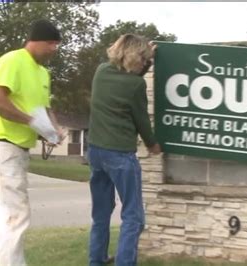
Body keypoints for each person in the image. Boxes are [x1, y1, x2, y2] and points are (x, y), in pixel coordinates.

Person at [88, 34, 160, 266]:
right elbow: (141, 120)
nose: (143, 63)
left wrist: (147, 59)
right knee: (133, 217)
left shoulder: (101, 72)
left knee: (101, 213)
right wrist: (152, 144)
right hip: (120, 155)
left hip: (96, 152)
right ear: (133, 56)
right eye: (142, 58)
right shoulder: (136, 85)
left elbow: (128, 75)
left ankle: (96, 260)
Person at [0, 19, 62, 266]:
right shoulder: (12, 60)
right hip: (4, 145)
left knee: (6, 213)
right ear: (36, 40)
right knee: (17, 213)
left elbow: (44, 108)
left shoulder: (43, 73)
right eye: (52, 43)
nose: (55, 49)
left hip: (21, 149)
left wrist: (52, 130)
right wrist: (31, 122)